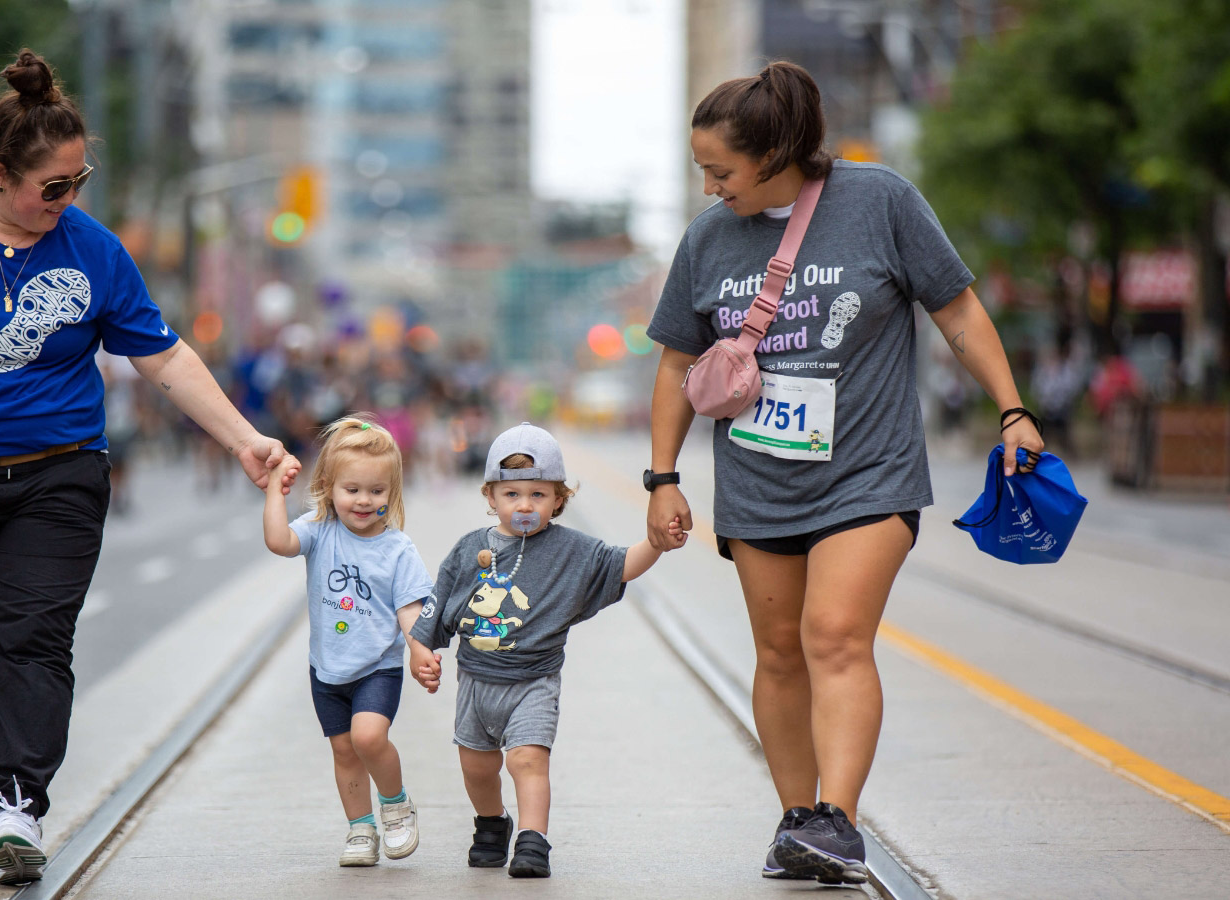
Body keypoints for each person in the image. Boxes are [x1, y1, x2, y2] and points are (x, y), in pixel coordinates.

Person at [0, 50, 293, 887]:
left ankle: (20, 806)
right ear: (1, 176)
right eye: (55, 187)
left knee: (30, 638)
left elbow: (165, 357)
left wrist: (242, 439)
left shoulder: (93, 250)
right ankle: (4, 792)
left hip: (60, 474)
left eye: (77, 182)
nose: (67, 200)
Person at [644, 61, 1044, 884]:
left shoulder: (881, 202)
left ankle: (840, 819)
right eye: (702, 172)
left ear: (776, 151)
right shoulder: (709, 239)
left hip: (869, 473)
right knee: (780, 651)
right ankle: (797, 821)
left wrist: (1012, 408)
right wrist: (662, 478)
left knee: (834, 637)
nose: (711, 186)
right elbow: (677, 361)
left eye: (721, 170)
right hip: (756, 482)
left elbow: (958, 310)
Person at [409, 423, 684, 879]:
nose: (524, 505)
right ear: (491, 497)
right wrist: (421, 652)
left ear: (559, 499)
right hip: (476, 683)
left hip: (534, 682)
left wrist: (656, 543)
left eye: (538, 495)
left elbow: (620, 564)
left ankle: (533, 842)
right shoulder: (468, 550)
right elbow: (436, 610)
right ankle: (492, 824)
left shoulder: (571, 550)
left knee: (527, 759)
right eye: (512, 493)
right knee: (477, 767)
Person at [262, 416, 434, 868]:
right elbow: (279, 541)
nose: (363, 500)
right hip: (327, 668)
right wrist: (273, 494)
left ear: (391, 495)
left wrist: (419, 649)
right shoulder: (320, 532)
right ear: (328, 487)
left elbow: (409, 609)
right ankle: (361, 828)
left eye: (377, 492)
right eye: (352, 489)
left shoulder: (398, 549)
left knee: (368, 737)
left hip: (378, 666)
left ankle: (395, 806)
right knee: (343, 750)